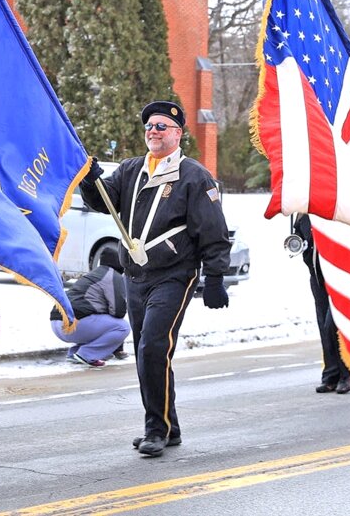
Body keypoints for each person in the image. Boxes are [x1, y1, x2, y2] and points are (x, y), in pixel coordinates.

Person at [79, 101, 231, 458]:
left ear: (178, 134)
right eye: (149, 126)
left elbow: (213, 229)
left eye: (162, 126)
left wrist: (215, 276)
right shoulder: (132, 169)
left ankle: (156, 429)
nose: (153, 131)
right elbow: (106, 203)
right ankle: (168, 425)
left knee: (153, 347)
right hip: (136, 274)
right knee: (146, 353)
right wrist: (90, 181)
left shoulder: (193, 175)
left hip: (174, 276)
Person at [293, 213, 350, 395]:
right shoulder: (303, 214)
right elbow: (299, 237)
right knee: (323, 324)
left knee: (333, 324)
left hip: (341, 274)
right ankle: (331, 375)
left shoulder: (337, 208)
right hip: (318, 275)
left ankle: (348, 373)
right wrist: (305, 255)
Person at [50, 247, 131, 367]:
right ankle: (86, 355)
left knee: (101, 322)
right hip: (73, 324)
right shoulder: (113, 275)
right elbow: (118, 311)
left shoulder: (93, 274)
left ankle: (75, 354)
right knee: (122, 327)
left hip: (56, 323)